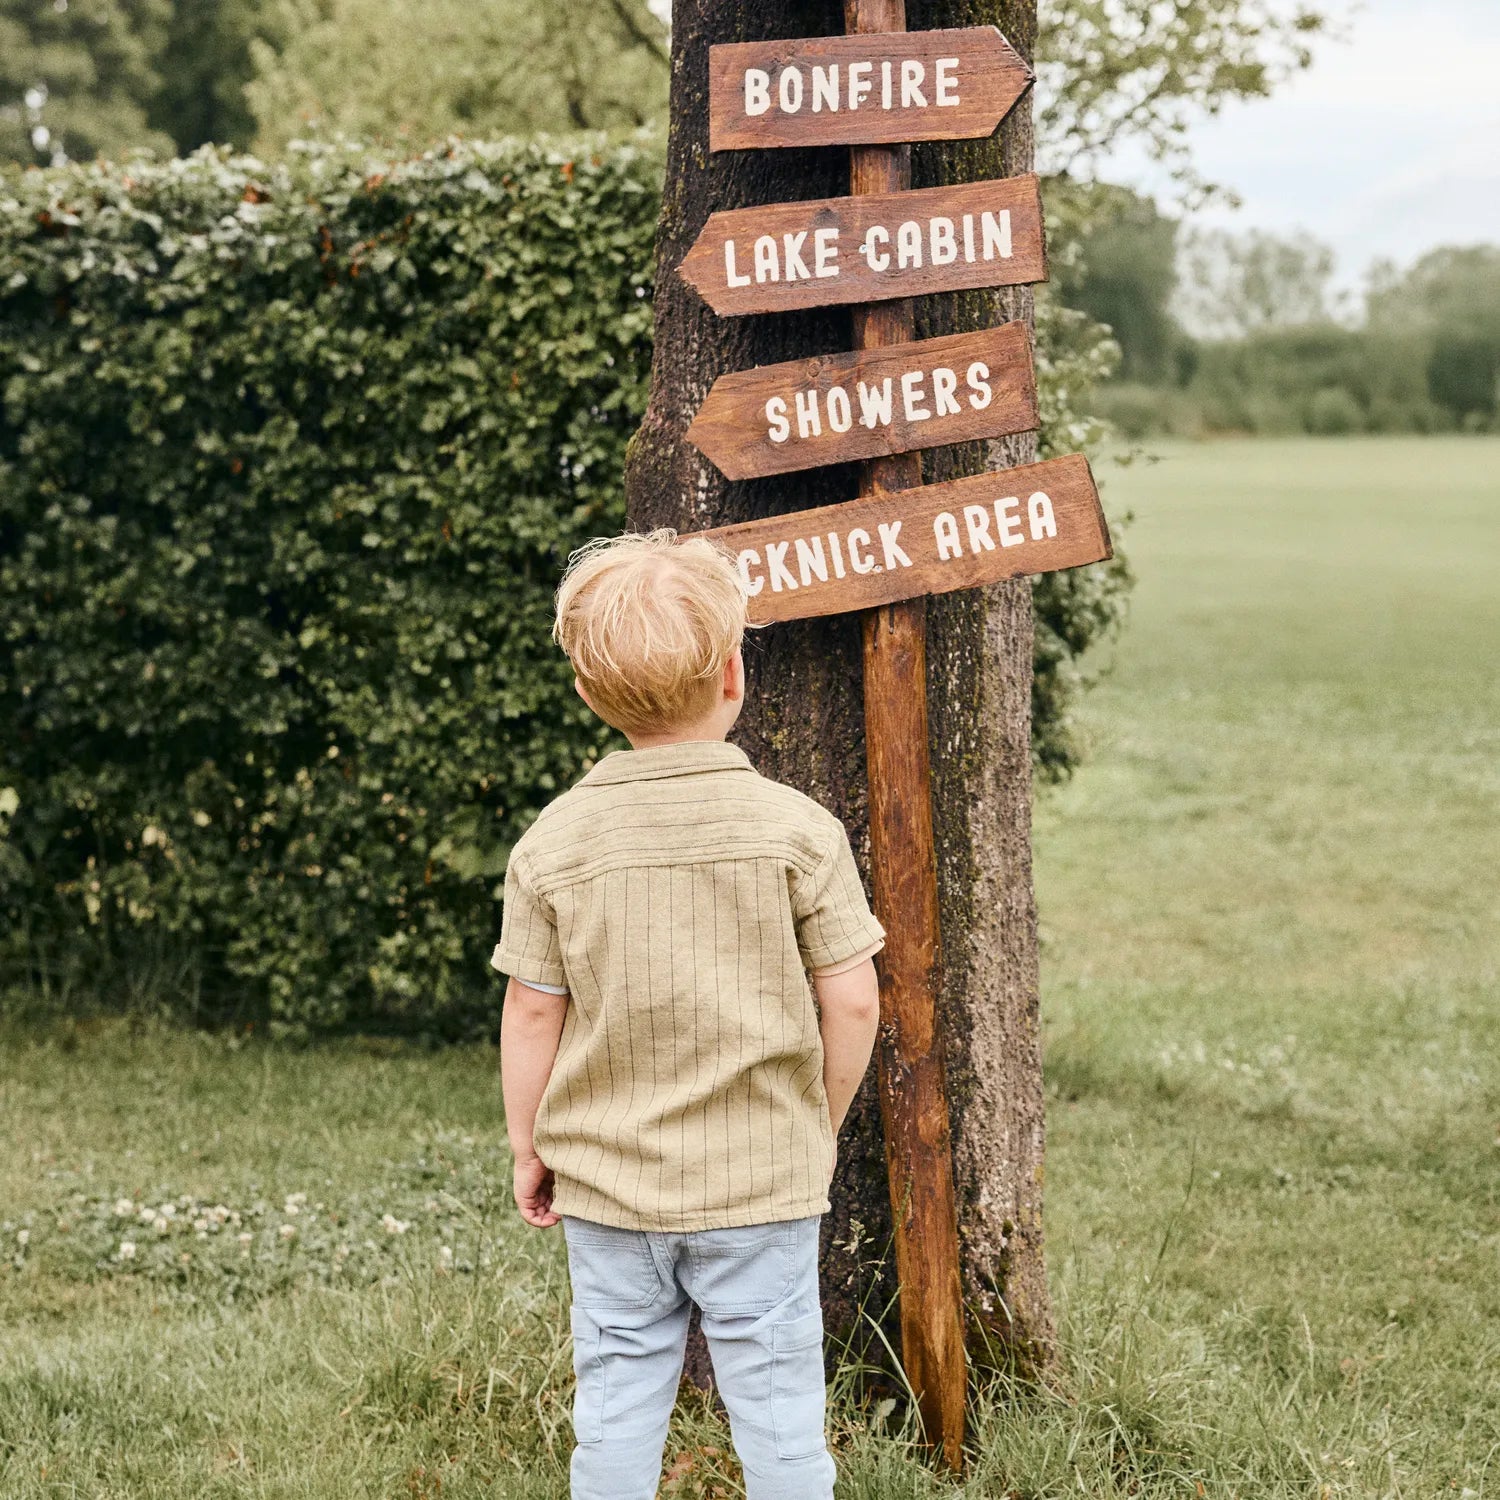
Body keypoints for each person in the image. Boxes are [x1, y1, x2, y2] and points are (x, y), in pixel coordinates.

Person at [494, 528, 885, 1500]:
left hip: (611, 1194)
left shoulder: (553, 845)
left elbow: (533, 1015)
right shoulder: (799, 832)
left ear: (587, 693)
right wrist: (818, 1125)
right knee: (783, 1421)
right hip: (763, 1185)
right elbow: (854, 996)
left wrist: (527, 1146)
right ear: (732, 673)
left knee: (617, 1410)